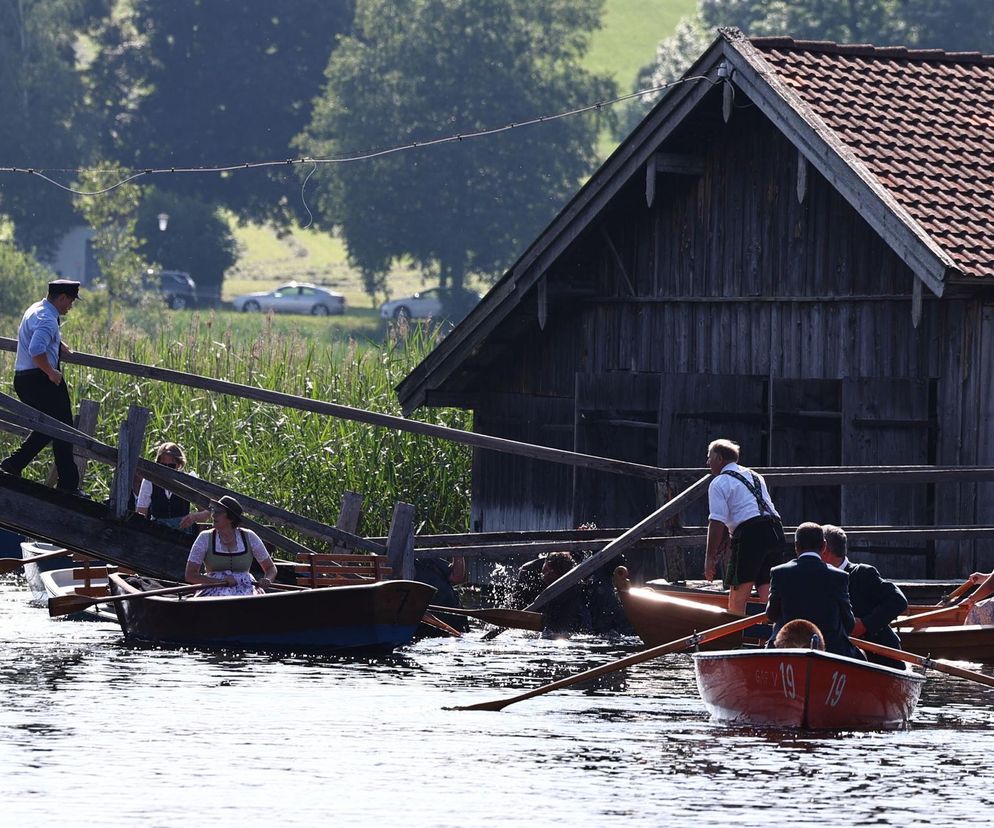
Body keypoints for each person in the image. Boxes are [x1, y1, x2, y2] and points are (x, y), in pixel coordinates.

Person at [1, 280, 84, 494]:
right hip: (41, 379)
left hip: (24, 378)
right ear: (62, 297)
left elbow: (36, 337)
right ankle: (68, 485)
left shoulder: (36, 309)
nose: (71, 307)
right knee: (64, 428)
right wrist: (51, 372)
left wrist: (58, 343)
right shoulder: (48, 319)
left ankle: (14, 464)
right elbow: (36, 349)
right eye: (71, 301)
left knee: (48, 427)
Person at [704, 438, 785, 614]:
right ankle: (769, 637)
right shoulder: (755, 476)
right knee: (767, 590)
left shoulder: (719, 482)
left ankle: (733, 637)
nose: (707, 462)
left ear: (719, 458)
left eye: (709, 457)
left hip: (750, 534)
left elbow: (716, 522)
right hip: (775, 531)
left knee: (738, 592)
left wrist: (709, 558)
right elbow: (746, 508)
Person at [766, 522, 864, 660]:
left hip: (787, 648)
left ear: (796, 546)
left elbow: (772, 614)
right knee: (860, 657)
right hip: (832, 651)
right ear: (824, 546)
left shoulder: (779, 572)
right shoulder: (839, 576)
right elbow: (848, 622)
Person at [821, 524, 908, 668]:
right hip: (837, 658)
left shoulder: (862, 574)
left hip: (879, 658)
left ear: (825, 550)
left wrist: (866, 624)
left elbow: (898, 601)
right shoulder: (818, 579)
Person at [184, 495, 278, 596]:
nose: (213, 515)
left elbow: (270, 568)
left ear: (231, 518)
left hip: (247, 590)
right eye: (213, 510)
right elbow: (190, 575)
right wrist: (218, 581)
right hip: (213, 591)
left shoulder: (249, 536)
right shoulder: (205, 537)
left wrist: (267, 580)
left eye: (218, 512)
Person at [135, 442, 209, 530]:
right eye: (163, 465)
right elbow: (141, 512)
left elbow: (207, 511)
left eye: (171, 466)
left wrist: (194, 517)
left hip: (183, 532)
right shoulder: (150, 480)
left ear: (179, 464)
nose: (166, 469)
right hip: (157, 531)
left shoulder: (188, 479)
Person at [414, 556, 468, 632]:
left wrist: (458, 553)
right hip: (426, 622)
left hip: (453, 617)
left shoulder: (429, 559)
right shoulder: (402, 567)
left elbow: (456, 577)